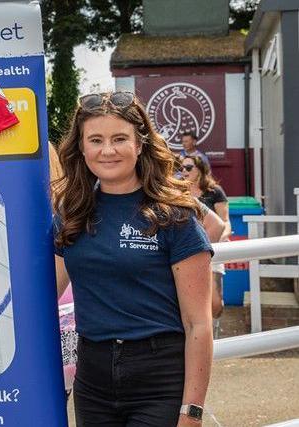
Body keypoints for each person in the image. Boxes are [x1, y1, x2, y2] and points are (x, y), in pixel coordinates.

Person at [52, 91, 213, 426]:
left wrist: (192, 410)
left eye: (119, 138)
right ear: (81, 148)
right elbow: (42, 294)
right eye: (95, 139)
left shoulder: (174, 217)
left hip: (159, 380)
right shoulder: (72, 215)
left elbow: (199, 323)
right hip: (92, 379)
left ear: (140, 145)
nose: (107, 150)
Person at [181, 155, 231, 319]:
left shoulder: (214, 191)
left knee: (215, 303)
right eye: (182, 167)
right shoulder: (179, 191)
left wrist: (219, 240)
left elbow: (225, 222)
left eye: (189, 168)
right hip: (188, 251)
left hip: (212, 247)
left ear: (200, 170)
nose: (184, 171)